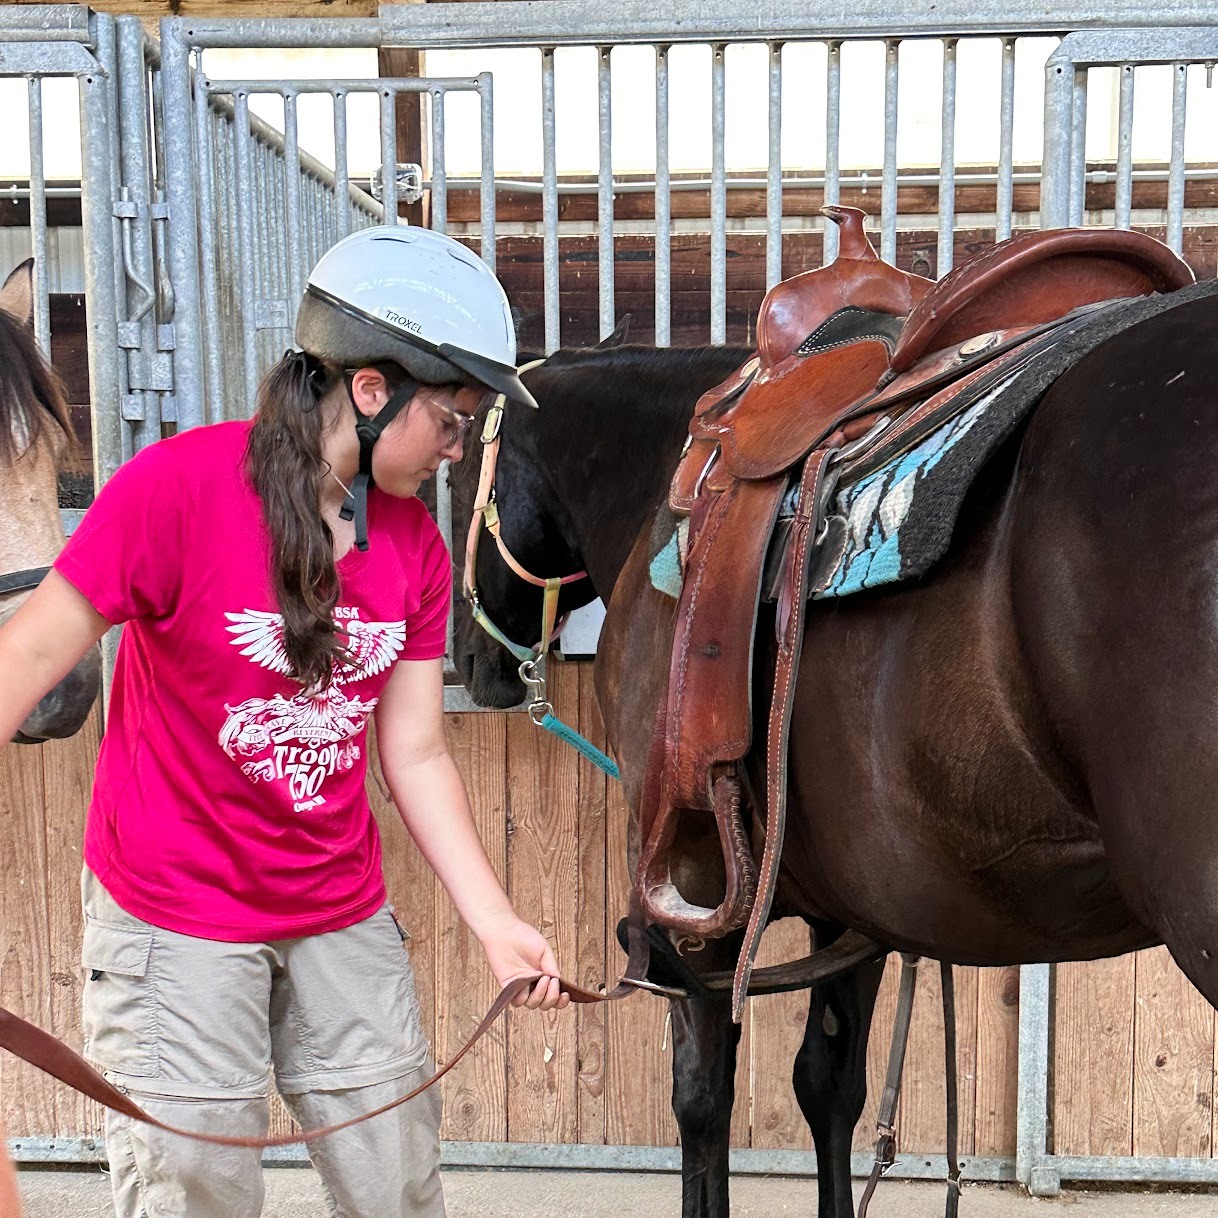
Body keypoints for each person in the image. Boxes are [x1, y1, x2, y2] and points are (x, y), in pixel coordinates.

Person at [0, 225, 569, 1218]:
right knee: (192, 1188)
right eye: (451, 416)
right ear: (369, 389)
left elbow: (417, 751)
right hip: (171, 913)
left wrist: (494, 920)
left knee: (395, 1179)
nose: (457, 446)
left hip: (333, 907)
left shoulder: (416, 547)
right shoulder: (174, 490)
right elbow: (27, 659)